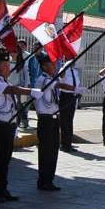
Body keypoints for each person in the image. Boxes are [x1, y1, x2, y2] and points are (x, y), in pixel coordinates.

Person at [0, 50, 31, 203]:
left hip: (7, 126)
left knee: (4, 160)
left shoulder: (4, 81)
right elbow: (12, 90)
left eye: (8, 65)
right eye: (4, 65)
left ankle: (2, 189)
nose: (7, 68)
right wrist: (30, 91)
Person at [32, 53, 75, 191]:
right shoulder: (43, 79)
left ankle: (49, 180)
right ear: (44, 66)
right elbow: (57, 85)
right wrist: (74, 88)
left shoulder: (50, 78)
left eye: (55, 63)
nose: (55, 66)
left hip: (54, 118)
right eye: (52, 64)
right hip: (45, 119)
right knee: (46, 151)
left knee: (53, 151)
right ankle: (43, 180)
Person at [59, 60, 84, 152]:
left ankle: (68, 143)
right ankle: (64, 145)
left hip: (73, 96)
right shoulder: (63, 69)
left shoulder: (75, 71)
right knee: (64, 121)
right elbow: (60, 77)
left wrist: (79, 90)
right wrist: (66, 66)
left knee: (70, 120)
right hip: (65, 96)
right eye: (71, 60)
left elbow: (77, 83)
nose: (73, 62)